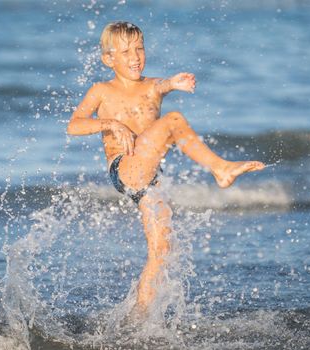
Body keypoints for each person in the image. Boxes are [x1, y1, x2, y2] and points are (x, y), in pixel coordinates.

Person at [67, 21, 265, 315]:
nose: (135, 57)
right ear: (108, 59)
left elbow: (160, 85)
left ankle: (138, 319)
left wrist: (174, 83)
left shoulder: (151, 86)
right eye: (125, 52)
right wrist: (110, 123)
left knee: (161, 252)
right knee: (173, 121)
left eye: (139, 48)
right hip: (123, 169)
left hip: (149, 181)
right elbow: (74, 125)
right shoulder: (101, 91)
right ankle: (221, 169)